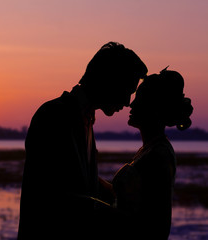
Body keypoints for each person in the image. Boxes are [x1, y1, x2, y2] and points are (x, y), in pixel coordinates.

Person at [17, 42, 148, 239]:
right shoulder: (54, 116)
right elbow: (52, 196)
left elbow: (77, 181)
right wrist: (120, 217)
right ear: (110, 80)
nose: (127, 102)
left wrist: (117, 194)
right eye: (127, 90)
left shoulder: (84, 118)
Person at [111, 69, 193, 239]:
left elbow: (155, 225)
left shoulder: (159, 155)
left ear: (154, 108)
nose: (131, 105)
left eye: (139, 100)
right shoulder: (150, 149)